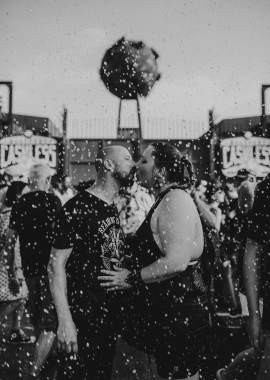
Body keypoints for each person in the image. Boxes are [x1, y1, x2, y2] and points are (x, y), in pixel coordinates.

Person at [99, 142, 209, 380]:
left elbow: (176, 262)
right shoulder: (165, 198)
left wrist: (130, 278)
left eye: (145, 161)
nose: (138, 165)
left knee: (181, 376)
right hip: (171, 313)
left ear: (161, 171)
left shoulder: (174, 200)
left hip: (180, 315)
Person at [48, 146, 136, 380]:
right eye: (127, 159)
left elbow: (110, 254)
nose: (134, 164)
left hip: (105, 319)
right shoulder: (76, 208)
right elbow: (55, 266)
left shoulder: (110, 206)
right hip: (83, 319)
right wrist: (65, 321)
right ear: (108, 165)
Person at [5, 163, 61, 379]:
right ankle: (34, 371)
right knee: (50, 326)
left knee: (39, 322)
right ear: (47, 181)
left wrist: (12, 272)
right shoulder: (53, 201)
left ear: (30, 181)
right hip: (50, 271)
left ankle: (48, 363)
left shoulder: (20, 203)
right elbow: (63, 238)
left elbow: (10, 242)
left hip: (30, 272)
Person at [216, 172, 270, 380]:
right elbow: (253, 250)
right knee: (261, 354)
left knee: (258, 353)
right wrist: (254, 315)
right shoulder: (264, 189)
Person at [0, 181, 30, 343]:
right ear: (18, 195)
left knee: (21, 298)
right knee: (16, 298)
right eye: (26, 192)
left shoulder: (11, 213)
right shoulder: (11, 215)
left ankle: (15, 331)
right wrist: (14, 271)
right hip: (9, 265)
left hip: (13, 263)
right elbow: (9, 246)